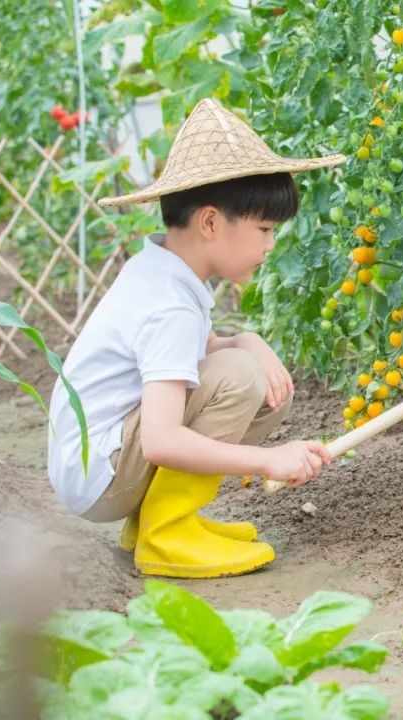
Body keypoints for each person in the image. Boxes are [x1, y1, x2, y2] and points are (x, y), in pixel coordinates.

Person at [47, 98, 343, 578]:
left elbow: (199, 359)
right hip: (101, 478)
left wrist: (248, 340)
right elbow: (162, 441)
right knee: (240, 379)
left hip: (101, 461)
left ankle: (154, 524)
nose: (271, 245)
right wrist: (267, 461)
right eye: (264, 228)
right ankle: (168, 536)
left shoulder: (165, 272)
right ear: (209, 222)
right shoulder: (169, 304)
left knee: (264, 384)